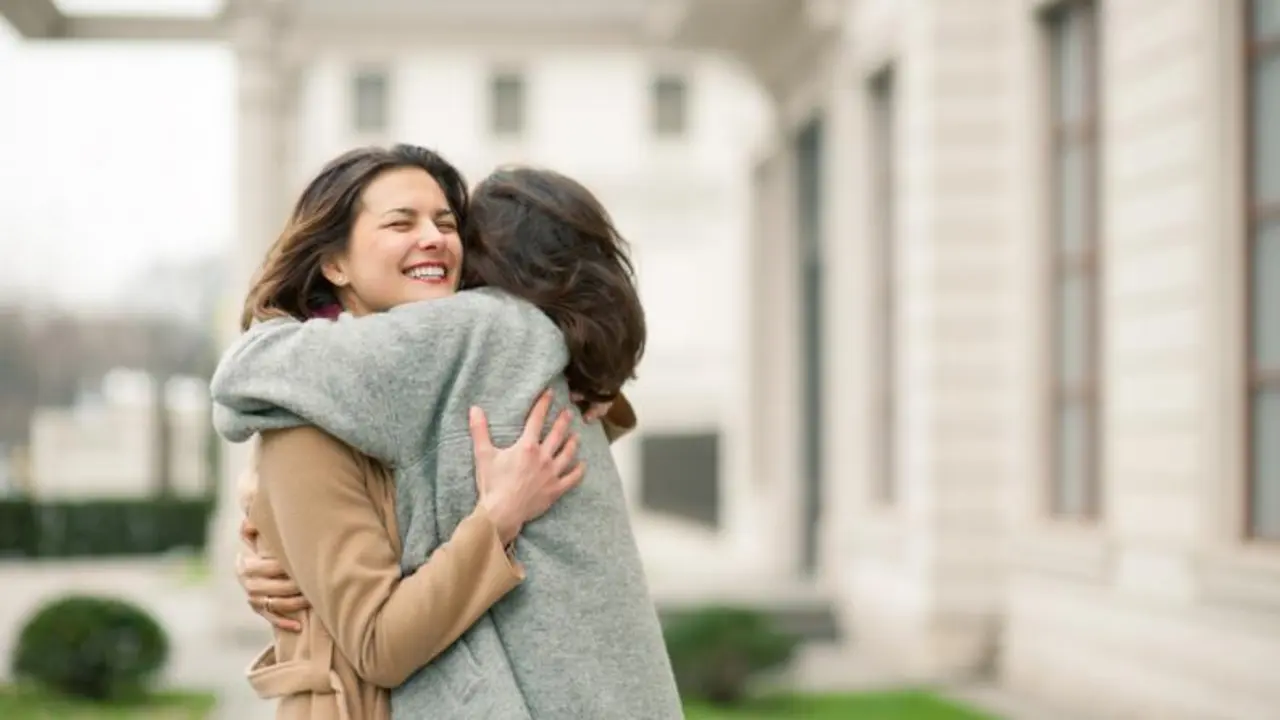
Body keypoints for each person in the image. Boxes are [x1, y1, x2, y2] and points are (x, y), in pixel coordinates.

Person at [212, 154, 683, 719]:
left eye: (446, 223)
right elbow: (378, 644)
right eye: (400, 222)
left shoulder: (461, 380)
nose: (433, 238)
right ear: (335, 263)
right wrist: (498, 517)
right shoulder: (302, 428)